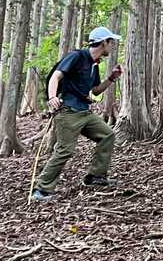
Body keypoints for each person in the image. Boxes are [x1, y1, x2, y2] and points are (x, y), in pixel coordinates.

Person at [31, 26, 124, 201]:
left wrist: (112, 78)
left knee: (107, 135)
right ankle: (41, 190)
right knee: (65, 150)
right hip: (68, 112)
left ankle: (95, 177)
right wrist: (52, 97)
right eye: (111, 42)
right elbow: (56, 76)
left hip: (84, 112)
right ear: (103, 42)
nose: (112, 46)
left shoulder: (94, 65)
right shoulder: (77, 56)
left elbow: (95, 91)